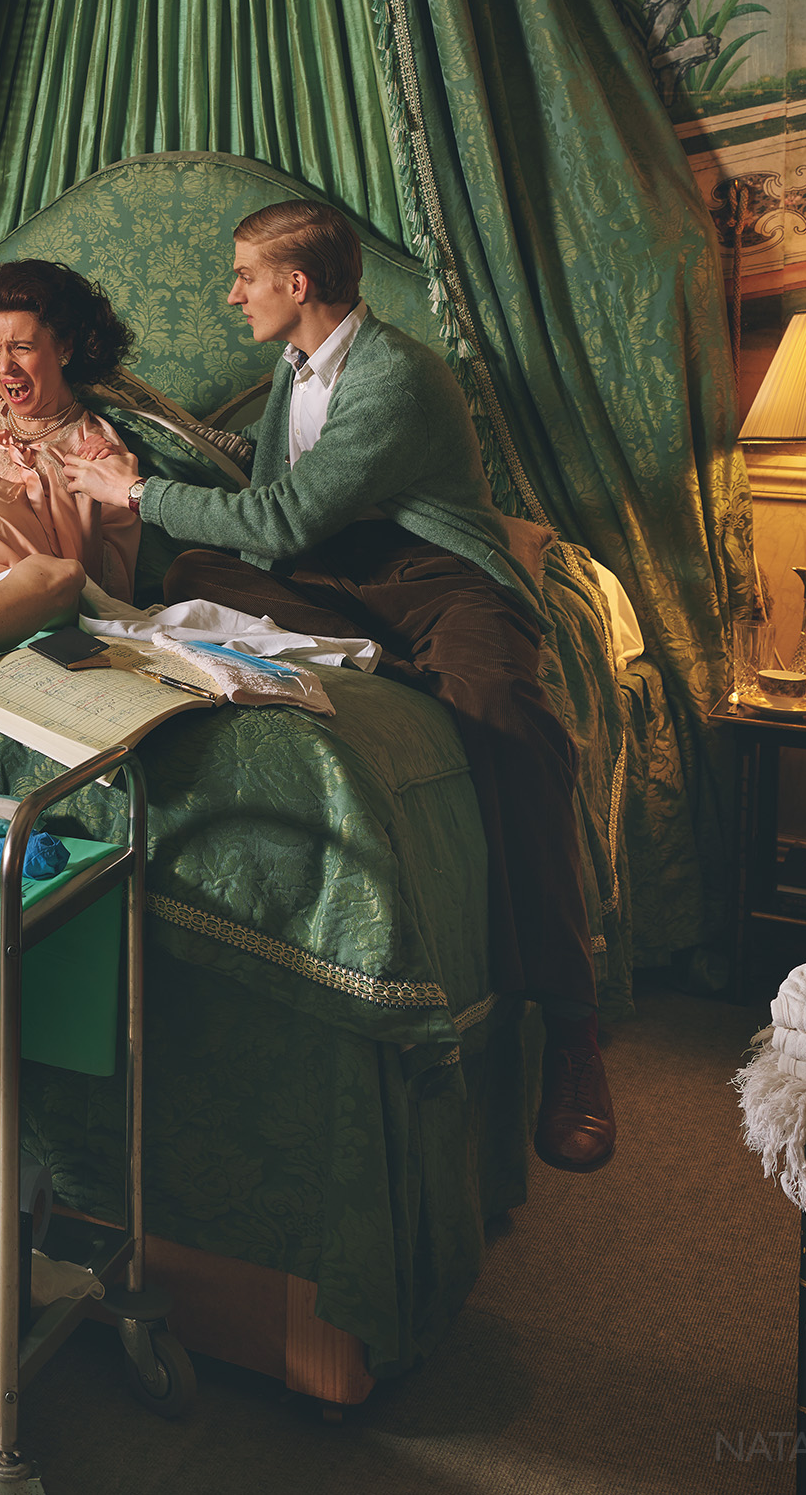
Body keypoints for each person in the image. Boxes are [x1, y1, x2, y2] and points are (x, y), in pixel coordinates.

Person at [70, 200, 616, 1175]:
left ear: (299, 285)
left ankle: (573, 1030)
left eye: (246, 276)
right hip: (339, 585)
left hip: (438, 582)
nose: (232, 294)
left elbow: (282, 516)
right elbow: (279, 509)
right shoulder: (293, 369)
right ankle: (400, 680)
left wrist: (138, 494)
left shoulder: (397, 374)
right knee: (194, 575)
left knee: (507, 722)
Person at [0, 259, 145, 601]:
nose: (4, 366)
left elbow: (105, 591)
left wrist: (85, 506)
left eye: (21, 348)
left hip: (20, 611)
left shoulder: (98, 446)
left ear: (64, 347)